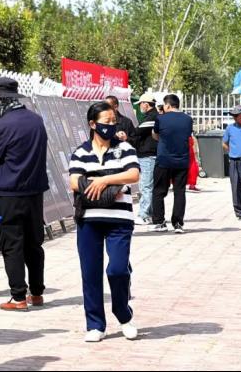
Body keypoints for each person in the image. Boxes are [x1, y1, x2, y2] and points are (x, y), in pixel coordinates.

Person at [69, 101, 141, 343]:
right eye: (106, 122)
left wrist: (103, 180)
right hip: (89, 220)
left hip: (119, 220)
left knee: (118, 269)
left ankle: (123, 315)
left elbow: (133, 174)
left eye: (113, 121)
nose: (111, 125)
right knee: (90, 272)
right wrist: (112, 186)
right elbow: (74, 181)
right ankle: (95, 324)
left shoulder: (124, 149)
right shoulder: (81, 152)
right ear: (93, 124)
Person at [0, 77, 49, 312]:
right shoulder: (36, 120)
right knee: (34, 242)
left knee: (11, 243)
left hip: (10, 192)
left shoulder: (2, 126)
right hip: (35, 191)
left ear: (0, 99)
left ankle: (18, 296)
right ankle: (37, 292)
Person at [150, 94, 193, 234]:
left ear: (167, 105)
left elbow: (155, 135)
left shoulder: (160, 118)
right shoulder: (188, 119)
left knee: (158, 191)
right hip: (182, 161)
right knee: (179, 192)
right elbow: (187, 136)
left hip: (164, 160)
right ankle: (178, 223)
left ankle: (159, 222)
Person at [131, 93, 159, 225]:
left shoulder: (151, 117)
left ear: (146, 104)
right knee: (149, 186)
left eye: (141, 104)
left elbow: (136, 132)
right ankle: (151, 214)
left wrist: (125, 137)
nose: (140, 107)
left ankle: (144, 215)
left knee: (146, 186)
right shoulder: (152, 116)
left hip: (148, 156)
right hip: (148, 155)